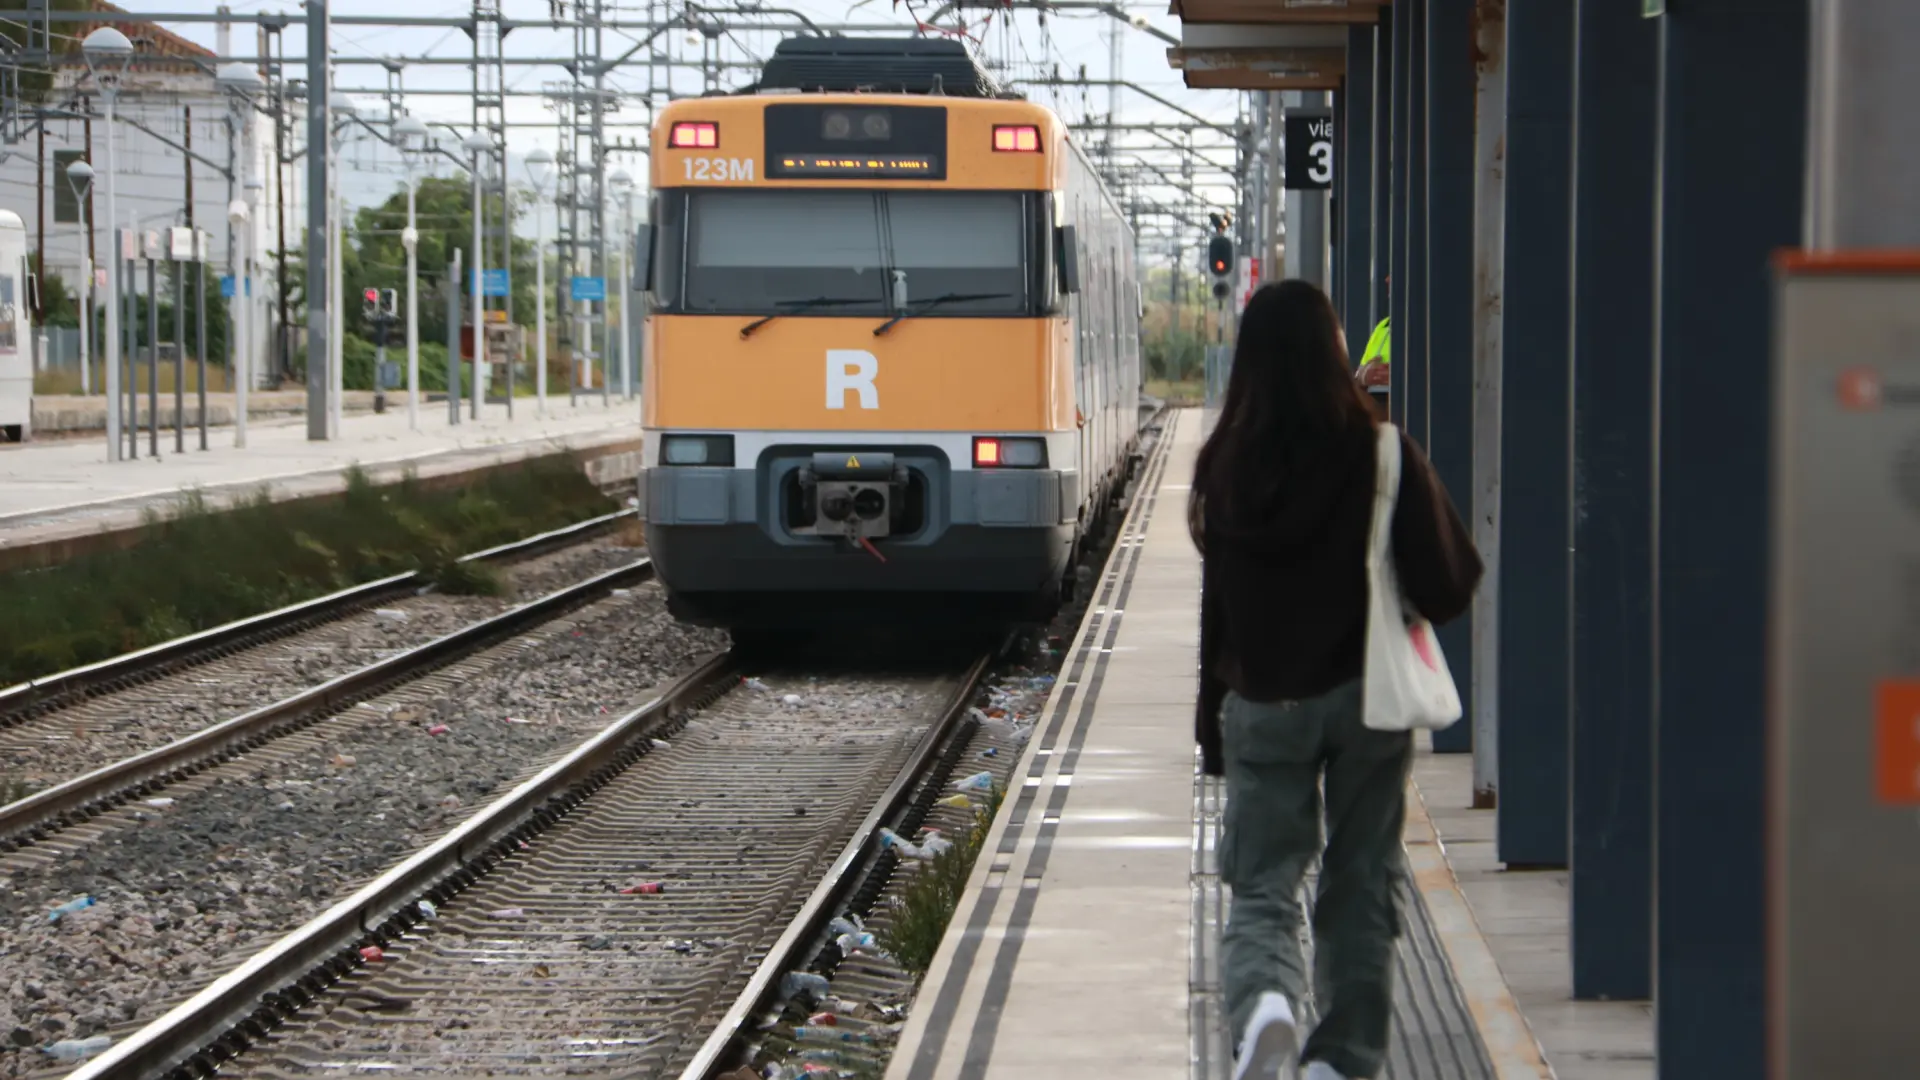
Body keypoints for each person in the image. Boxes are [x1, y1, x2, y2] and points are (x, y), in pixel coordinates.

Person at [1189, 279, 1482, 1080]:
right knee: (1362, 880)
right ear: (1334, 350)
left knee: (1262, 883)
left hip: (1263, 700)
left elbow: (1218, 614)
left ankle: (1267, 1008)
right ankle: (1342, 1061)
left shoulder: (1226, 465)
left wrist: (1212, 727)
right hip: (1367, 700)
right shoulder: (1381, 451)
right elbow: (1450, 585)